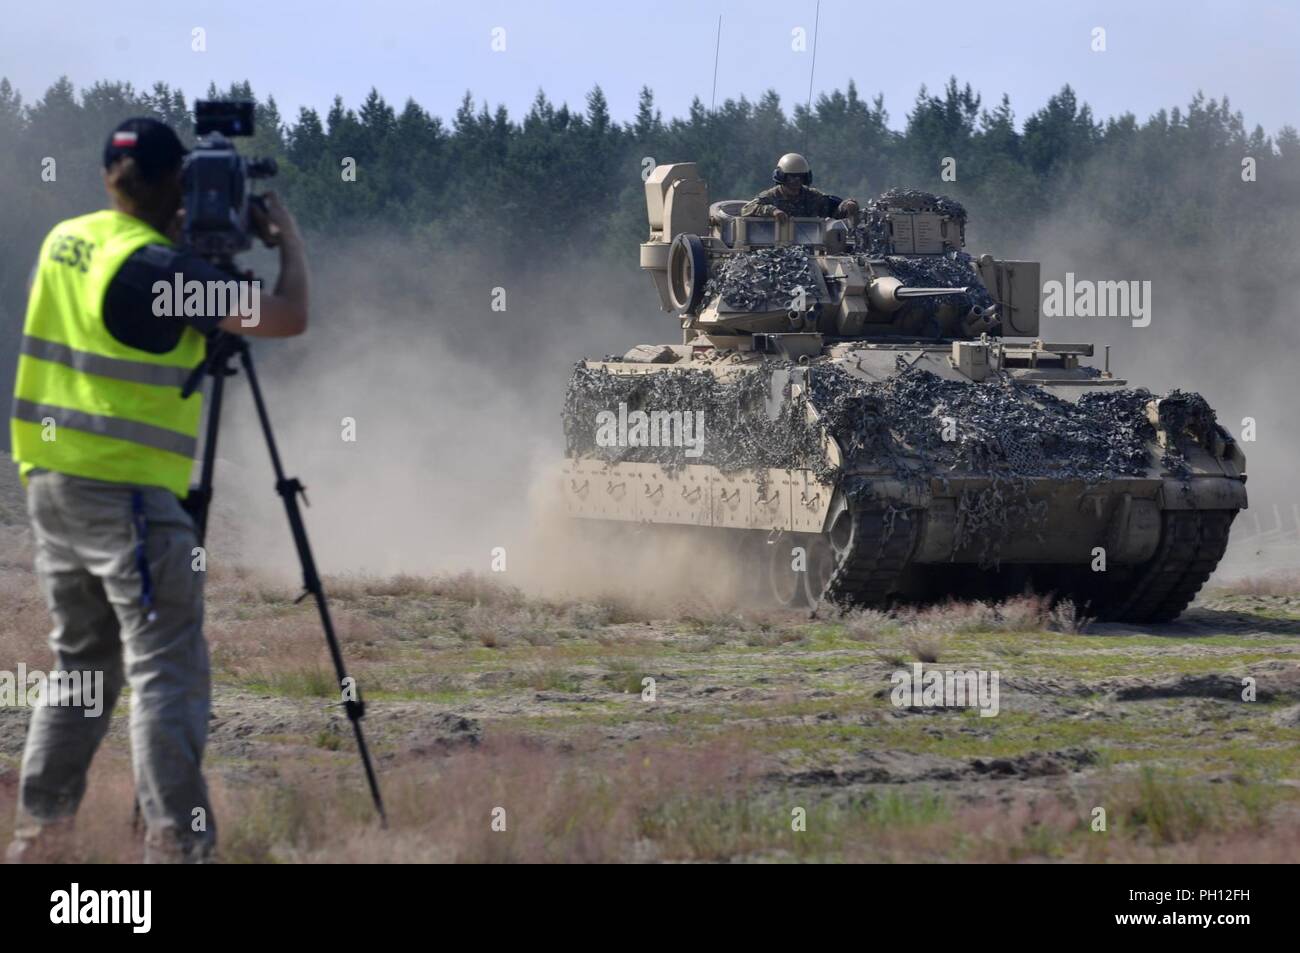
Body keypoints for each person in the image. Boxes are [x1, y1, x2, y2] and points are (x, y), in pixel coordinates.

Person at [6, 117, 309, 863]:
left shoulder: (68, 241)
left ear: (111, 176)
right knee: (165, 666)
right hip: (129, 497)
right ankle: (178, 843)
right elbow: (287, 317)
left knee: (81, 662)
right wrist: (288, 244)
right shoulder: (160, 273)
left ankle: (40, 837)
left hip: (51, 485)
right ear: (177, 183)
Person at [740, 152, 860, 223]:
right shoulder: (771, 196)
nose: (796, 181)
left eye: (800, 177)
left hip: (807, 250)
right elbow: (746, 210)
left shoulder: (812, 196)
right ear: (782, 176)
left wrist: (846, 206)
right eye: (792, 176)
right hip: (774, 248)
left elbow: (833, 213)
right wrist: (772, 211)